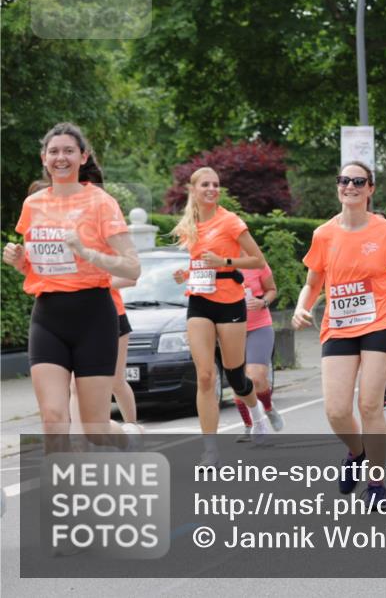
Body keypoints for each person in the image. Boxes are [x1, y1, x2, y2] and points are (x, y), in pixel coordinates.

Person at [2, 123, 142, 452]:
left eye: (68, 151)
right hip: (48, 316)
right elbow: (40, 266)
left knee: (93, 430)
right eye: (54, 151)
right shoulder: (33, 205)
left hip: (94, 316)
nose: (60, 157)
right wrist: (20, 260)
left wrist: (88, 252)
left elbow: (133, 266)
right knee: (53, 417)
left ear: (83, 157)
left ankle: (129, 435)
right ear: (43, 158)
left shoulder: (101, 203)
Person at [292, 161, 386, 506]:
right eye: (344, 180)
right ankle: (357, 453)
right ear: (338, 186)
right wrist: (303, 306)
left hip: (380, 321)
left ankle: (377, 484)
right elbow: (312, 283)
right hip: (339, 325)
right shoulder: (324, 234)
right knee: (336, 411)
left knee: (370, 404)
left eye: (358, 181)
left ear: (370, 189)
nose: (350, 186)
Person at [170, 167, 270, 466]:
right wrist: (184, 274)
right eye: (205, 184)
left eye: (215, 184)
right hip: (199, 302)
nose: (212, 189)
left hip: (230, 301)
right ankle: (210, 450)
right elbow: (199, 263)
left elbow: (257, 259)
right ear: (193, 189)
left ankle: (255, 412)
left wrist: (225, 260)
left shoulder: (230, 221)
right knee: (204, 376)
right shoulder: (189, 224)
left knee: (236, 375)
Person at [27, 178, 140, 429]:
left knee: (116, 383)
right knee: (56, 410)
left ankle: (130, 428)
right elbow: (34, 271)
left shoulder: (92, 222)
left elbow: (131, 272)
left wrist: (91, 275)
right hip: (52, 317)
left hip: (104, 315)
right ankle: (78, 450)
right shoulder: (42, 232)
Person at [235, 261, 284, 441]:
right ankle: (250, 425)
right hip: (232, 329)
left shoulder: (257, 263)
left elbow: (272, 290)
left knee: (256, 376)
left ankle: (269, 409)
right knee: (238, 380)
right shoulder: (220, 265)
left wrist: (262, 302)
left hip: (259, 326)